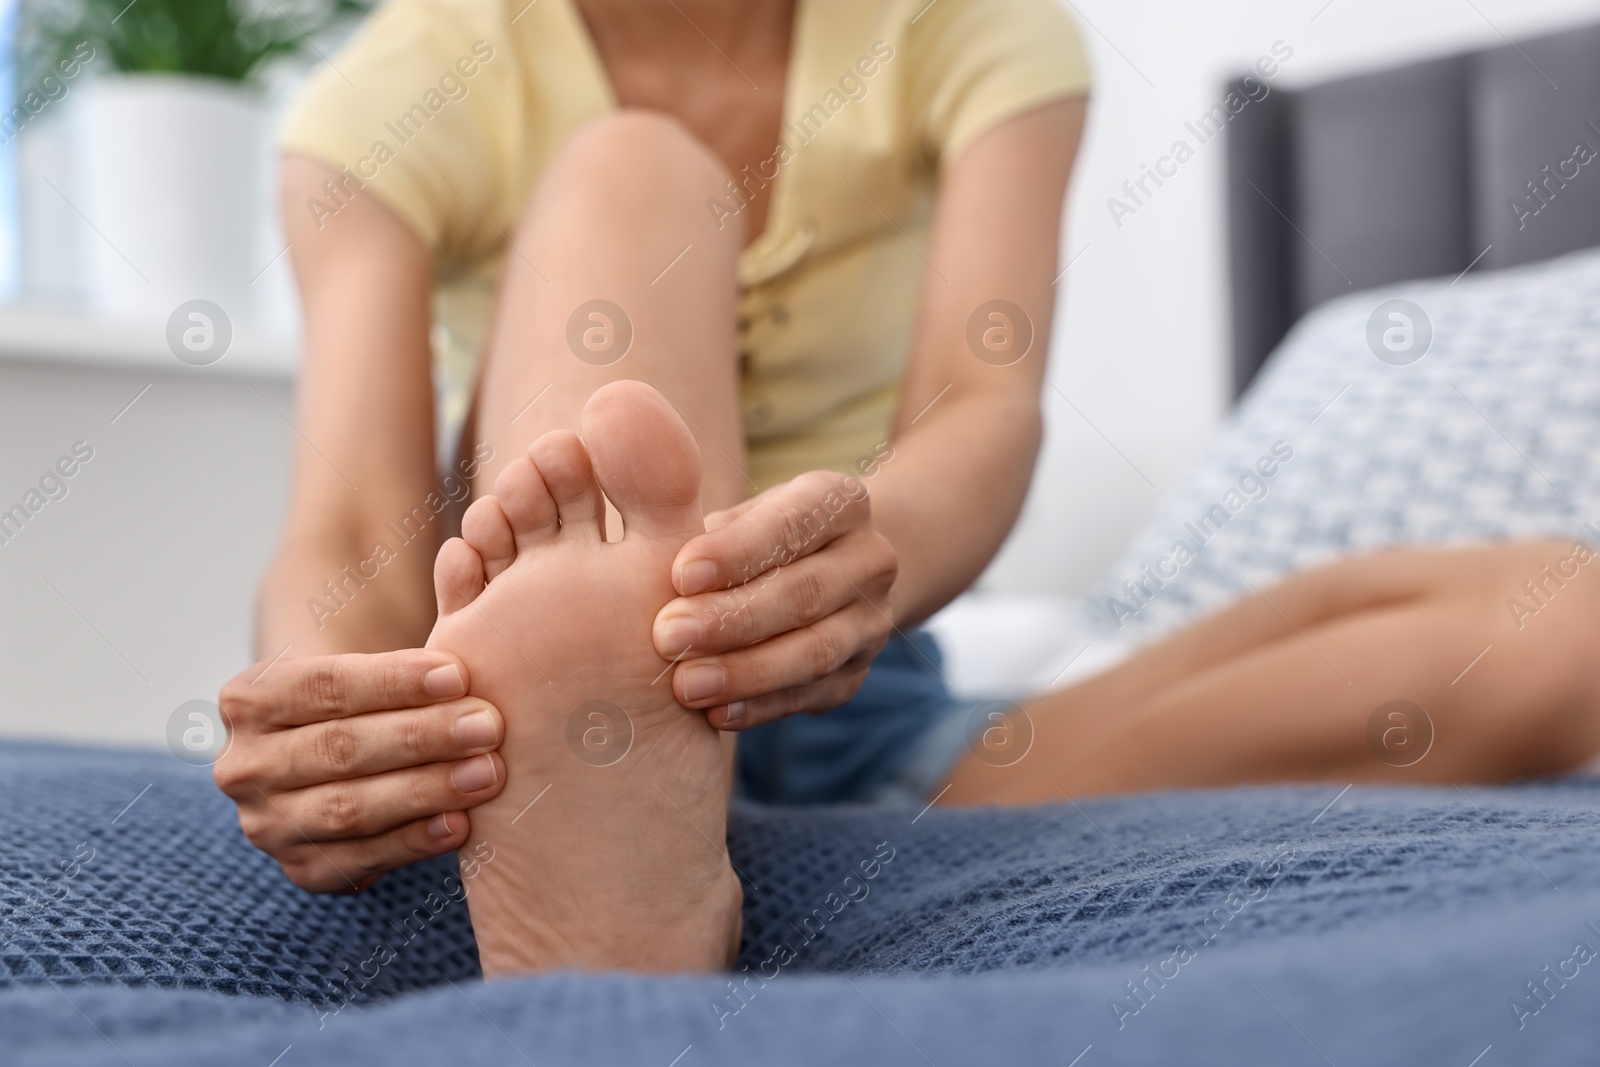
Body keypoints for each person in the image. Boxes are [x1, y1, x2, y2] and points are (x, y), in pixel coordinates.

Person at [212, 0, 1600, 974]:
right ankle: (603, 744)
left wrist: (859, 564)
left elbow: (979, 409)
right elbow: (349, 530)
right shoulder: (395, 94)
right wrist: (339, 708)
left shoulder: (969, 26)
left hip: (873, 701)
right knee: (631, 170)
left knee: (1568, 622)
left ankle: (666, 835)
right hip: (520, 726)